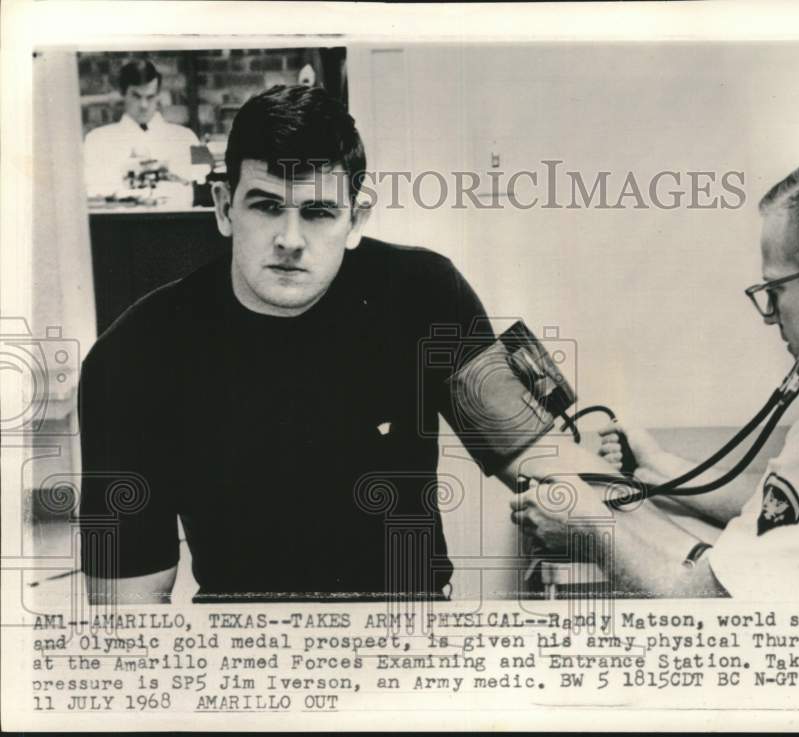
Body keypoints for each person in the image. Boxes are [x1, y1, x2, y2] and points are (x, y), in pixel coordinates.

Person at [78, 85, 493, 603]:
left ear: (356, 219)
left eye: (318, 212)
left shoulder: (425, 293)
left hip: (409, 633)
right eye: (267, 206)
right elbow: (127, 608)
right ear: (225, 208)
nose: (290, 240)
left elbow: (532, 449)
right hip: (246, 649)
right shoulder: (132, 356)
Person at [511, 151, 799, 597]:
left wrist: (589, 525)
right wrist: (658, 469)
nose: (771, 316)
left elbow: (710, 607)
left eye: (774, 291)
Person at [83, 59, 200, 197]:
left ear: (158, 95)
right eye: (136, 96)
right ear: (123, 93)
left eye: (150, 97)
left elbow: (201, 185)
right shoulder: (97, 140)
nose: (144, 105)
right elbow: (90, 191)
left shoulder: (186, 138)